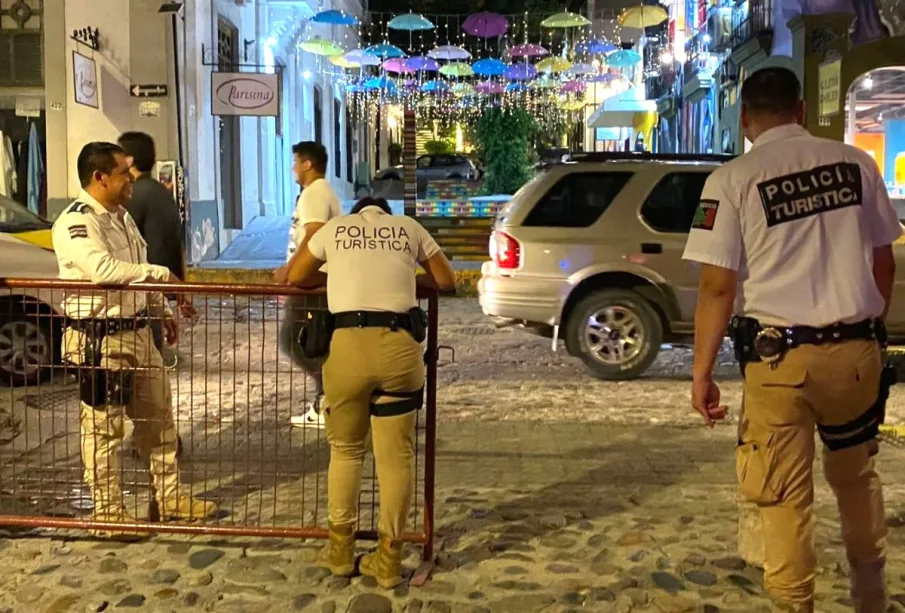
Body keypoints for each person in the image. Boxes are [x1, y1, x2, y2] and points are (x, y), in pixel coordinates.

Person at [683, 67, 900, 612]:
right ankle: (871, 597)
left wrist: (701, 373)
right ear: (801, 111)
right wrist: (868, 327)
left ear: (744, 119)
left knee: (782, 497)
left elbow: (716, 287)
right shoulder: (857, 164)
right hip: (855, 358)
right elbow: (883, 260)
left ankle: (794, 605)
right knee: (855, 477)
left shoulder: (731, 180)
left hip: (779, 365)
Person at [284, 196, 455, 588]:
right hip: (399, 349)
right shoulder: (408, 228)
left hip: (347, 348)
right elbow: (446, 280)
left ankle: (340, 552)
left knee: (345, 451)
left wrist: (342, 278)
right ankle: (389, 560)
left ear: (358, 212)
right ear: (386, 215)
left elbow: (297, 275)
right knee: (396, 457)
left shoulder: (335, 228)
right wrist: (407, 278)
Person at [53, 142, 216, 537]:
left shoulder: (121, 216)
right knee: (103, 431)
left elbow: (134, 270)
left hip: (139, 332)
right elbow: (104, 269)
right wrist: (163, 277)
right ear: (100, 177)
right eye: (124, 172)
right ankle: (108, 515)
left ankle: (170, 499)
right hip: (100, 341)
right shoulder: (77, 222)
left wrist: (159, 310)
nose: (132, 178)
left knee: (159, 421)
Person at [274, 142, 342, 428]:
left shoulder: (313, 194)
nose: (293, 168)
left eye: (295, 162)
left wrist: (290, 271)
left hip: (311, 279)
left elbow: (313, 234)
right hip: (319, 278)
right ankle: (329, 400)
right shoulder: (323, 191)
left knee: (293, 340)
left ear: (308, 164)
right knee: (314, 341)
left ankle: (333, 396)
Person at [116, 131, 193, 352]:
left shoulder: (135, 196)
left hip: (146, 288)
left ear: (128, 160)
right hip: (160, 286)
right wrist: (180, 287)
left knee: (146, 355)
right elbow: (176, 242)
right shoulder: (160, 191)